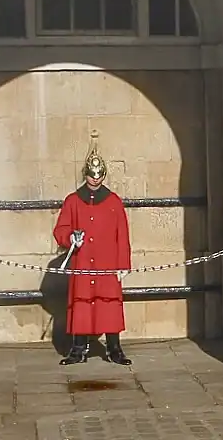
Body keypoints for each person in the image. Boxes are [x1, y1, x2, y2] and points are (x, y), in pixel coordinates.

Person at [53, 130, 132, 366]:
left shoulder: (114, 202)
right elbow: (60, 230)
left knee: (109, 306)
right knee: (81, 305)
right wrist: (70, 238)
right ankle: (78, 349)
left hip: (108, 264)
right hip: (83, 263)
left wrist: (123, 264)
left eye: (98, 176)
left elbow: (122, 235)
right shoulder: (72, 200)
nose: (94, 180)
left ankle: (114, 348)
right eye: (91, 176)